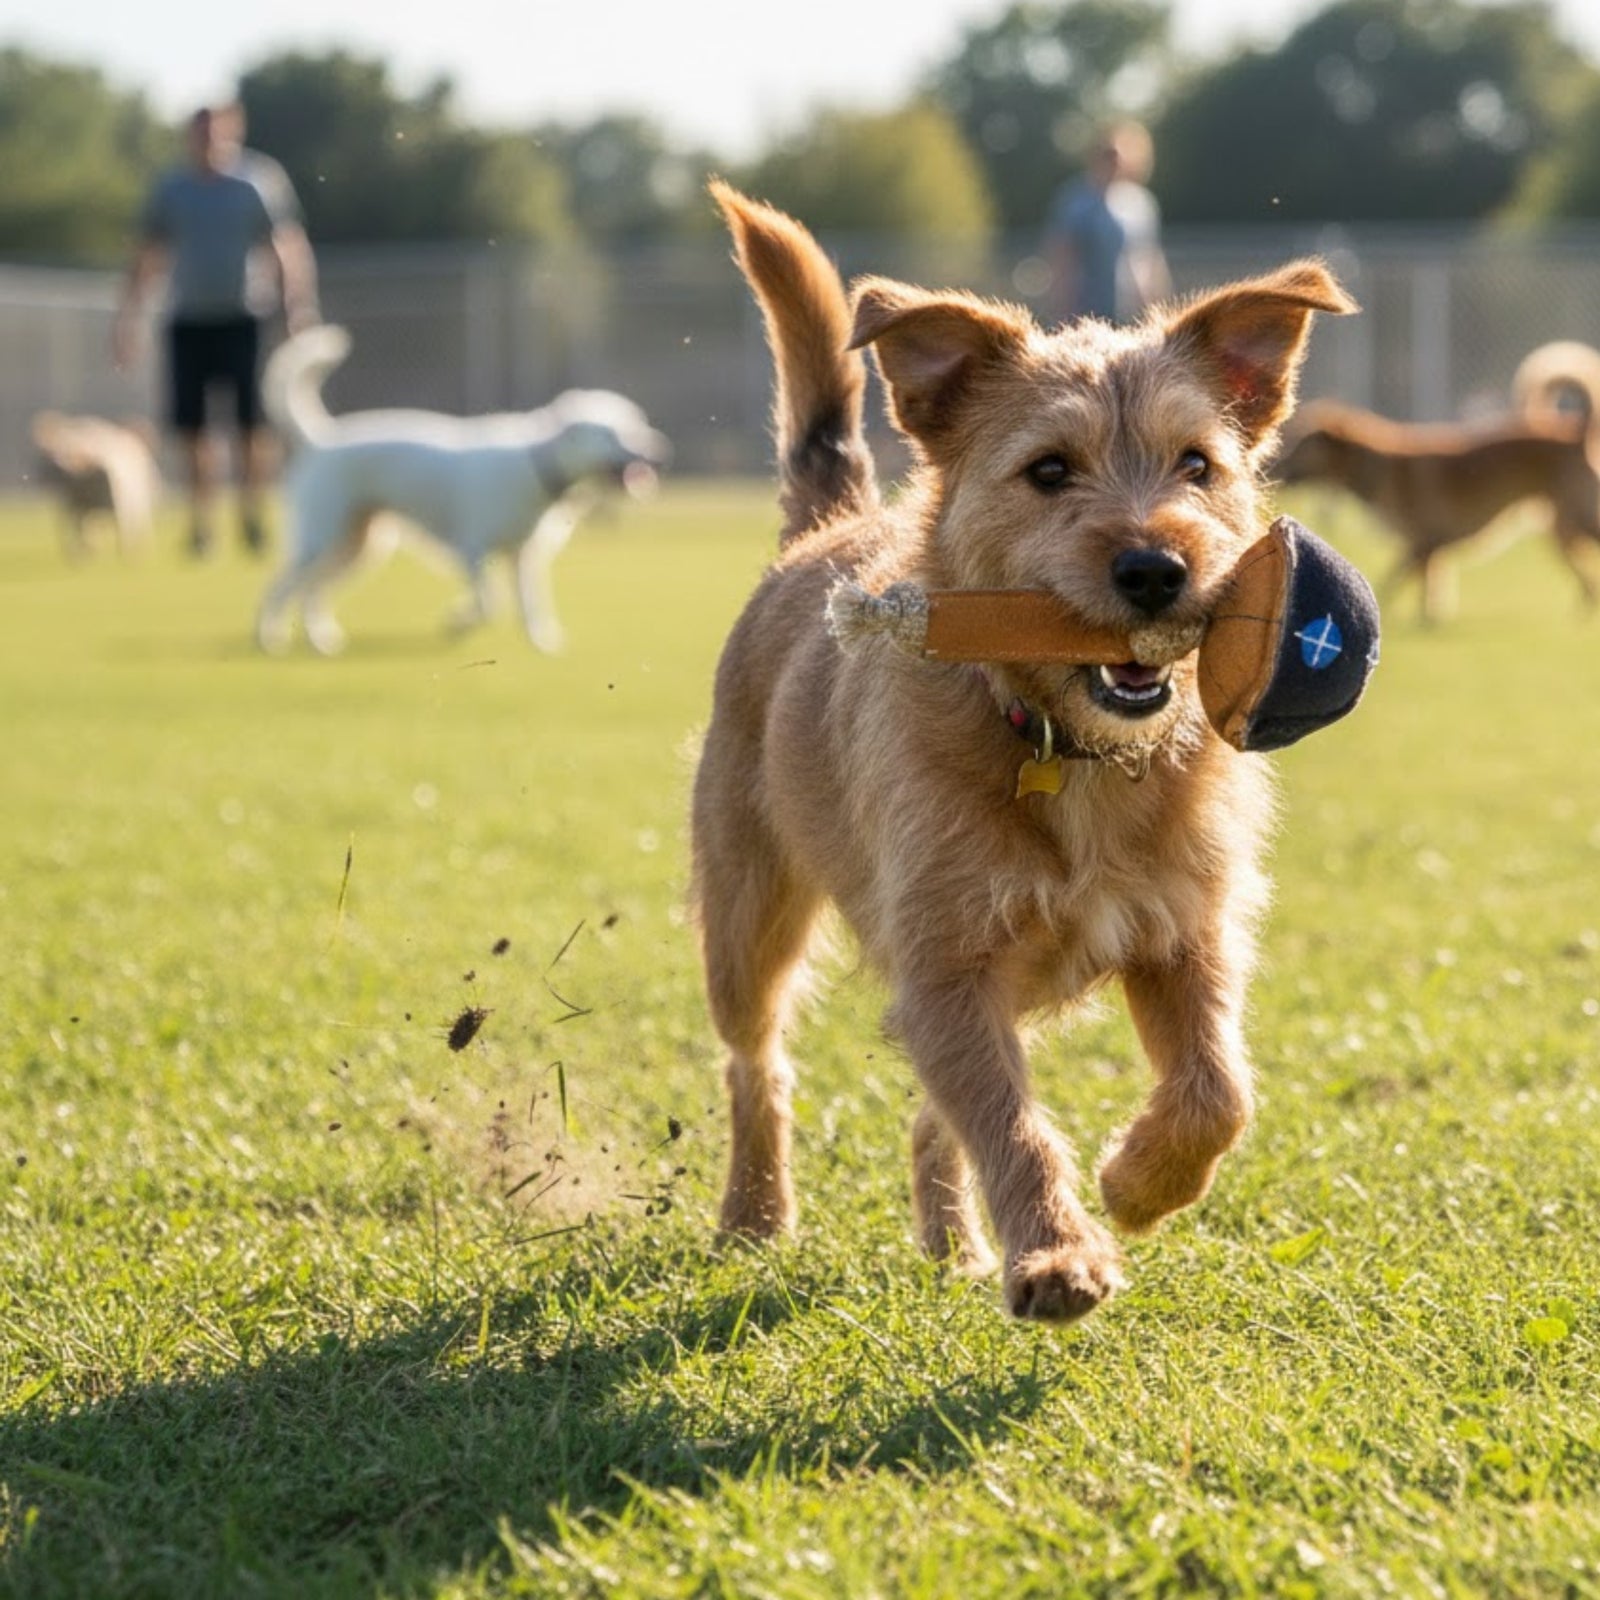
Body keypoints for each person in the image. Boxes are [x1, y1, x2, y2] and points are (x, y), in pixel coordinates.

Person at [113, 104, 319, 556]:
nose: (208, 141)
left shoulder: (256, 181)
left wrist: (297, 307)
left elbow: (284, 246)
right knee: (194, 430)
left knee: (251, 425)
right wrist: (128, 318)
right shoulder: (171, 188)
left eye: (216, 131)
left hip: (244, 318)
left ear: (234, 131)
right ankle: (202, 525)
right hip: (187, 320)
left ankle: (252, 517)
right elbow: (148, 255)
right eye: (200, 132)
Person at [1043, 120, 1171, 327]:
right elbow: (1062, 260)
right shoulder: (1075, 202)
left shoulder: (1139, 203)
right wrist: (1062, 314)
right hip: (1085, 312)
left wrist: (1157, 311)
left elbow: (1150, 260)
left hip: (1128, 309)